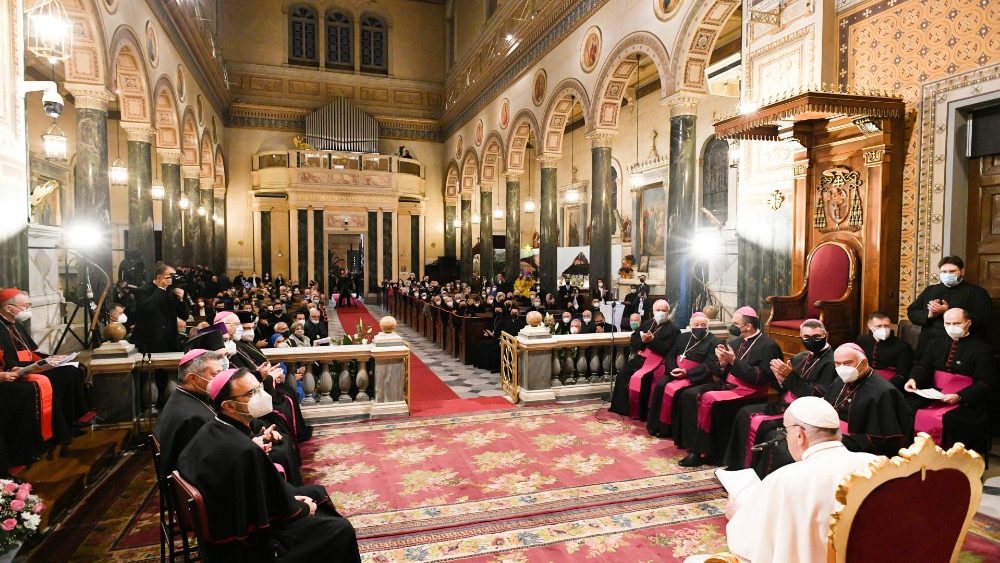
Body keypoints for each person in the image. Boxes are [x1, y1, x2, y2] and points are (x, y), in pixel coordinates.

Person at [177, 369, 361, 562]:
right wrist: (303, 508)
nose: (262, 395)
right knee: (341, 529)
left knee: (317, 492)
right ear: (229, 405)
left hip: (226, 527)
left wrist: (290, 498)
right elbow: (269, 514)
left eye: (259, 388)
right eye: (251, 393)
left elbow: (255, 497)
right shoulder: (243, 451)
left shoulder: (212, 428)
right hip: (247, 549)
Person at [724, 397, 877, 563]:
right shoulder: (874, 464)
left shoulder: (784, 479)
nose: (786, 438)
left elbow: (749, 545)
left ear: (799, 435)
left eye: (786, 433)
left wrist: (738, 515)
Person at [750, 343, 912, 477]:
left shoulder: (883, 392)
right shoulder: (841, 380)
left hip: (855, 446)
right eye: (837, 364)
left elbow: (885, 440)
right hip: (831, 435)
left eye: (847, 363)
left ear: (863, 363)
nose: (842, 368)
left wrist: (834, 438)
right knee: (776, 437)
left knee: (785, 451)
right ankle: (763, 489)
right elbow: (826, 407)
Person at [722, 319, 838, 471]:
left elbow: (816, 396)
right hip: (784, 403)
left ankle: (754, 469)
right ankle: (737, 466)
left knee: (764, 426)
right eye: (806, 337)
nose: (811, 341)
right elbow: (783, 386)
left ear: (826, 335)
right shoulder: (800, 357)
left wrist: (789, 377)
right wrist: (780, 379)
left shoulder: (832, 361)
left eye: (816, 337)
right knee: (744, 413)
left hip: (803, 412)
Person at [675, 306, 782, 467]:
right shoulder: (735, 342)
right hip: (728, 384)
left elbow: (761, 377)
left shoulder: (768, 346)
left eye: (735, 323)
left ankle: (705, 452)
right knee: (689, 395)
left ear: (748, 326)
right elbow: (722, 371)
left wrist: (733, 362)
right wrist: (724, 364)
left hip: (750, 390)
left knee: (711, 401)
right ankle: (691, 444)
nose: (732, 326)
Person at [0, 288, 89, 442]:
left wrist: (52, 358)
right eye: (25, 306)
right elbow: (8, 360)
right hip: (16, 368)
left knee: (73, 369)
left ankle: (71, 422)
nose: (28, 310)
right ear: (8, 308)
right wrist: (18, 367)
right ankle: (58, 431)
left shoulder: (17, 325)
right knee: (61, 376)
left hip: (29, 363)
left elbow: (32, 350)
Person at [904, 308, 996, 454]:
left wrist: (959, 396)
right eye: (948, 323)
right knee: (907, 407)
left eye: (957, 323)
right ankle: (913, 455)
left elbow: (986, 382)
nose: (952, 327)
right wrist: (913, 378)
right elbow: (923, 366)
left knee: (951, 419)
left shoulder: (982, 349)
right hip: (936, 393)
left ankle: (951, 461)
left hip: (966, 399)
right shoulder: (935, 343)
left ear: (968, 323)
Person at [646, 312, 719, 438]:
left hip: (696, 376)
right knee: (661, 385)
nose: (699, 327)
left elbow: (709, 364)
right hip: (676, 371)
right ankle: (657, 425)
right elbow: (671, 355)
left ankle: (670, 429)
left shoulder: (714, 341)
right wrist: (673, 369)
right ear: (690, 325)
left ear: (708, 325)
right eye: (696, 324)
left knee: (677, 392)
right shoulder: (683, 337)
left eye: (703, 324)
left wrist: (687, 373)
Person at [154, 349, 225, 474]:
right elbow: (213, 462)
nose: (221, 380)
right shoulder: (194, 418)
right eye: (215, 374)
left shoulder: (181, 396)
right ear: (192, 378)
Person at [130, 263, 190, 407]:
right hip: (149, 342)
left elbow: (184, 315)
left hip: (169, 341)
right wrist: (160, 288)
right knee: (150, 379)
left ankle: (169, 407)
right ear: (159, 277)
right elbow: (147, 309)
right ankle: (150, 408)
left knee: (168, 378)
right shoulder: (142, 291)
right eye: (170, 276)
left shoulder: (172, 291)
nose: (173, 280)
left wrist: (181, 300)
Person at [609, 300, 680, 420]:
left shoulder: (673, 329)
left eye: (664, 310)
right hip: (641, 358)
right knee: (623, 375)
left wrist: (651, 341)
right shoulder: (648, 323)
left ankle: (640, 412)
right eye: (658, 310)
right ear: (653, 311)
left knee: (644, 379)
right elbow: (634, 338)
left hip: (657, 361)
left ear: (668, 313)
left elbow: (667, 349)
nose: (661, 313)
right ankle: (623, 408)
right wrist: (642, 341)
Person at [906, 255, 993, 349]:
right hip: (930, 343)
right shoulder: (930, 290)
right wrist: (929, 314)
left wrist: (948, 310)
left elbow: (984, 318)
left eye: (952, 271)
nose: (947, 274)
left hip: (963, 344)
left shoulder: (977, 292)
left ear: (962, 271)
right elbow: (912, 312)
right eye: (944, 271)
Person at [855, 311, 913, 389]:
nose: (883, 329)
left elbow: (902, 374)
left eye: (886, 326)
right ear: (870, 326)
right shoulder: (862, 340)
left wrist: (885, 386)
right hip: (865, 378)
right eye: (879, 326)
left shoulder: (903, 345)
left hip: (889, 382)